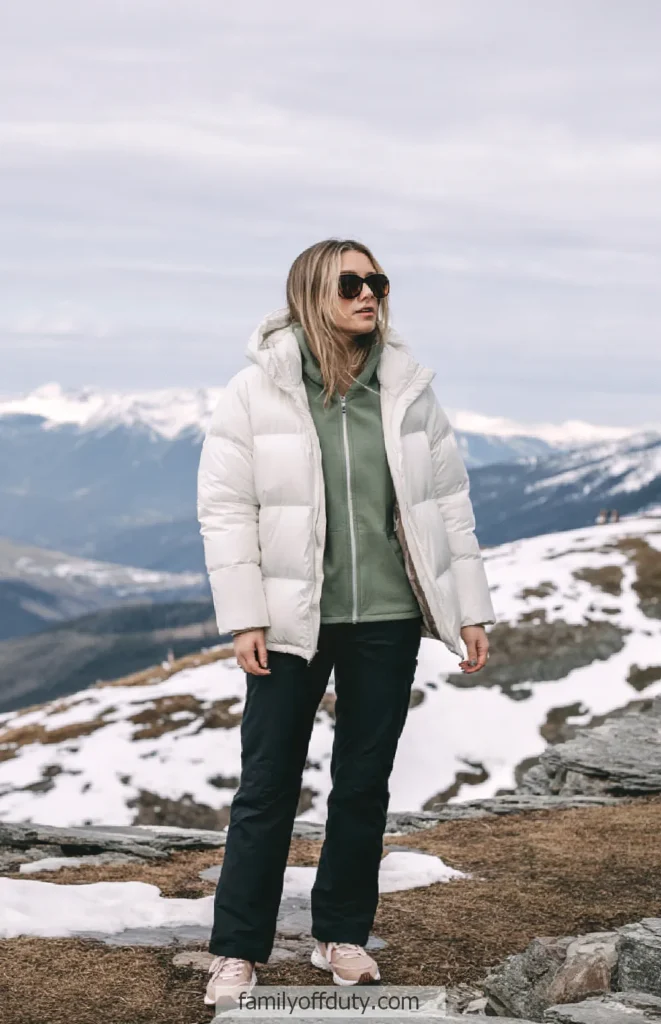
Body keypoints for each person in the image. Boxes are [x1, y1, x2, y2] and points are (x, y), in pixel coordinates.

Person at [196, 238, 496, 1005]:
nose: (370, 293)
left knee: (361, 784)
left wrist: (468, 610)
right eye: (350, 283)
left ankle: (341, 937)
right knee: (265, 786)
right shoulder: (254, 391)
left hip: (387, 618)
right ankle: (236, 951)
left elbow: (449, 508)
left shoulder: (407, 391)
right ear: (309, 294)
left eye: (377, 281)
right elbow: (227, 511)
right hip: (294, 620)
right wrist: (245, 617)